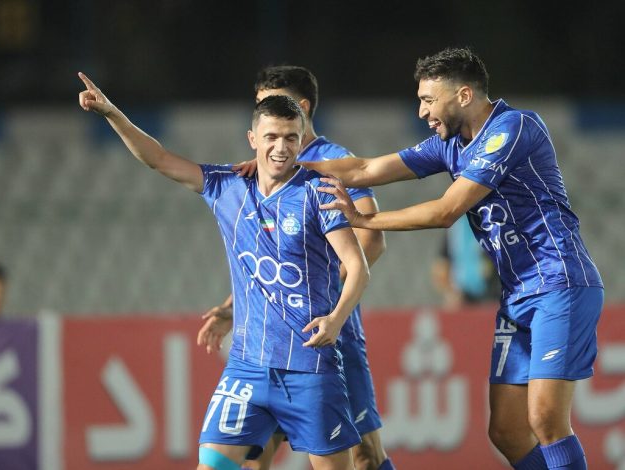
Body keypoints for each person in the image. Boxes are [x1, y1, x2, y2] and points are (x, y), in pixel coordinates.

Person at [293, 47, 603, 470]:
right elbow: (364, 169)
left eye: (428, 100)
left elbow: (445, 211)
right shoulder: (451, 145)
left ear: (463, 95)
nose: (422, 112)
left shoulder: (512, 128)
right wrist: (281, 164)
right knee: (507, 431)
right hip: (518, 296)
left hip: (559, 282)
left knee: (545, 418)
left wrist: (366, 220)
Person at [77, 73, 370, 470]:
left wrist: (336, 320)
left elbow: (357, 266)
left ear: (302, 139)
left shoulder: (318, 192)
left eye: (290, 138)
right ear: (253, 139)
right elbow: (158, 158)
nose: (281, 147)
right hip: (247, 368)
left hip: (310, 369)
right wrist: (113, 113)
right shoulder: (227, 185)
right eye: (271, 137)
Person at [197, 65, 393, 470]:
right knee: (252, 459)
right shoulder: (264, 164)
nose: (268, 114)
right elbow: (269, 257)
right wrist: (233, 307)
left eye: (276, 104)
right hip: (270, 348)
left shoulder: (333, 161)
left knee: (364, 454)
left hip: (325, 337)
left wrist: (320, 302)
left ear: (301, 107)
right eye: (261, 108)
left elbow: (371, 239)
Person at [431, 217, 499, 308]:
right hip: (463, 297)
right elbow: (441, 268)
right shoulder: (455, 227)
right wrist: (451, 293)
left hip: (494, 296)